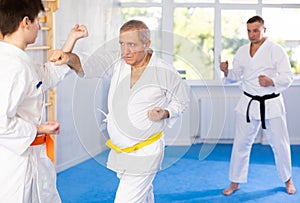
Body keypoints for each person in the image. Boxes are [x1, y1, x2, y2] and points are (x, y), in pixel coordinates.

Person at [69, 20, 189, 202]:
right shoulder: (118, 62)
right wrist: (68, 57)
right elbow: (88, 64)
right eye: (122, 44)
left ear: (147, 44)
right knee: (143, 193)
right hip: (122, 149)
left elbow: (182, 100)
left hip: (146, 152)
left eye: (132, 45)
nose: (125, 51)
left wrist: (165, 112)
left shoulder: (164, 71)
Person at [0, 0, 87, 202]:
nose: (39, 27)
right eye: (37, 21)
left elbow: (46, 76)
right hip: (17, 165)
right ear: (25, 22)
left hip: (27, 158)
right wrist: (40, 129)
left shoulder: (16, 60)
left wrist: (71, 40)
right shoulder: (13, 67)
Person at [220, 15, 296, 196]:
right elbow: (237, 75)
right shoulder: (242, 51)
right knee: (241, 144)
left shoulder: (276, 50)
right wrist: (226, 71)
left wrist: (272, 81)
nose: (252, 34)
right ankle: (235, 181)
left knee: (280, 144)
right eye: (249, 31)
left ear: (264, 30)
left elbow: (288, 77)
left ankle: (288, 179)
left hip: (271, 102)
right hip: (248, 103)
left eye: (255, 30)